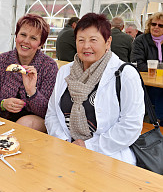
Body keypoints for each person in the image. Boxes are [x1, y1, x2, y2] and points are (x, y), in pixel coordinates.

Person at [45, 13, 144, 165]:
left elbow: (130, 126)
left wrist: (88, 146)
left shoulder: (125, 74)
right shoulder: (65, 72)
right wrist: (65, 142)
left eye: (93, 40)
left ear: (108, 42)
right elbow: (52, 114)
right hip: (66, 152)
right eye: (81, 40)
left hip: (109, 158)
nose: (86, 46)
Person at [0, 13, 58, 132]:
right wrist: (3, 103)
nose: (26, 41)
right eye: (23, 35)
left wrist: (31, 92)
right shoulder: (2, 61)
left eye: (33, 38)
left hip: (35, 122)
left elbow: (48, 111)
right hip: (3, 119)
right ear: (16, 36)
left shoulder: (48, 67)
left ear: (41, 44)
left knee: (23, 124)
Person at [131, 12, 163, 125]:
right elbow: (137, 63)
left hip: (160, 81)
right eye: (153, 24)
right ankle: (157, 121)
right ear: (149, 25)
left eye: (160, 25)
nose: (156, 27)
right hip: (146, 82)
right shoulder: (141, 40)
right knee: (159, 92)